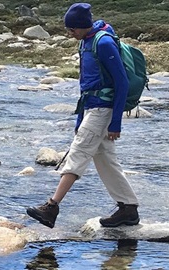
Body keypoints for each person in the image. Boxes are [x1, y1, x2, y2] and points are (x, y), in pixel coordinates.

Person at [26, 3, 139, 229]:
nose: (70, 33)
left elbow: (122, 83)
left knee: (77, 153)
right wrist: (80, 118)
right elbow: (86, 85)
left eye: (72, 29)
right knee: (105, 159)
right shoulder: (86, 42)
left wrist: (116, 121)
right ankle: (128, 208)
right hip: (91, 107)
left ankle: (51, 207)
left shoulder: (104, 43)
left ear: (82, 26)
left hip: (102, 109)